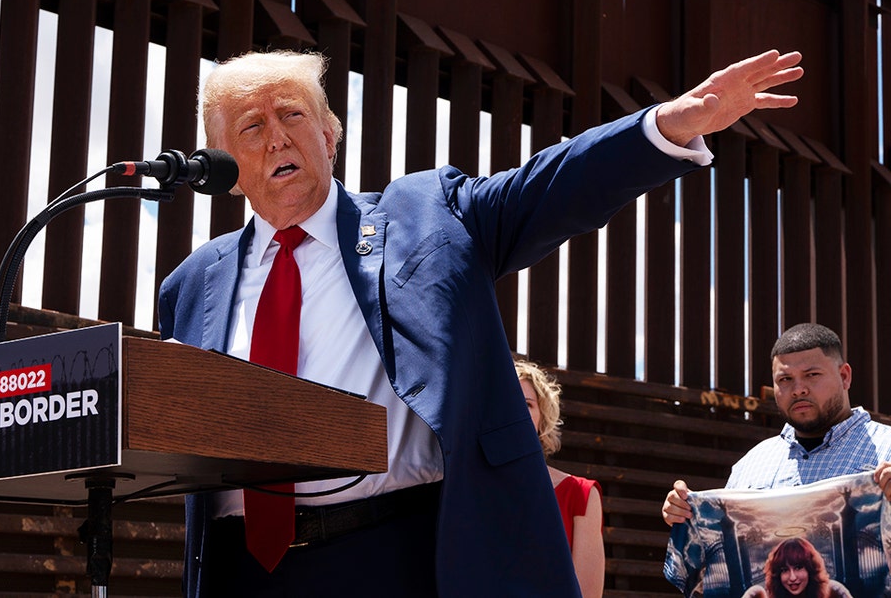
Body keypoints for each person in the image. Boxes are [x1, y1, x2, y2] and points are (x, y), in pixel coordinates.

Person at [158, 47, 804, 597]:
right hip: (239, 569)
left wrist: (663, 127)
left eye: (292, 114)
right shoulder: (190, 287)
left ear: (329, 135)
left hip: (390, 554)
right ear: (225, 168)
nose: (276, 137)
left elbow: (547, 186)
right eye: (251, 126)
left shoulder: (426, 219)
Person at [662, 323, 891, 529]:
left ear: (844, 377)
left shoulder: (887, 448)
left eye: (812, 375)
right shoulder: (749, 467)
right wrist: (686, 514)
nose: (798, 389)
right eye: (785, 379)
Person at [516, 359, 605, 598]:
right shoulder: (468, 489)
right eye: (507, 401)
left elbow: (587, 594)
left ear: (542, 419)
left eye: (526, 404)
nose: (516, 410)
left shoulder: (581, 494)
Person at [739, 537, 854, 598]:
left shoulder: (833, 592)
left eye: (798, 567)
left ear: (810, 569)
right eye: (784, 570)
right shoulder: (760, 595)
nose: (792, 577)